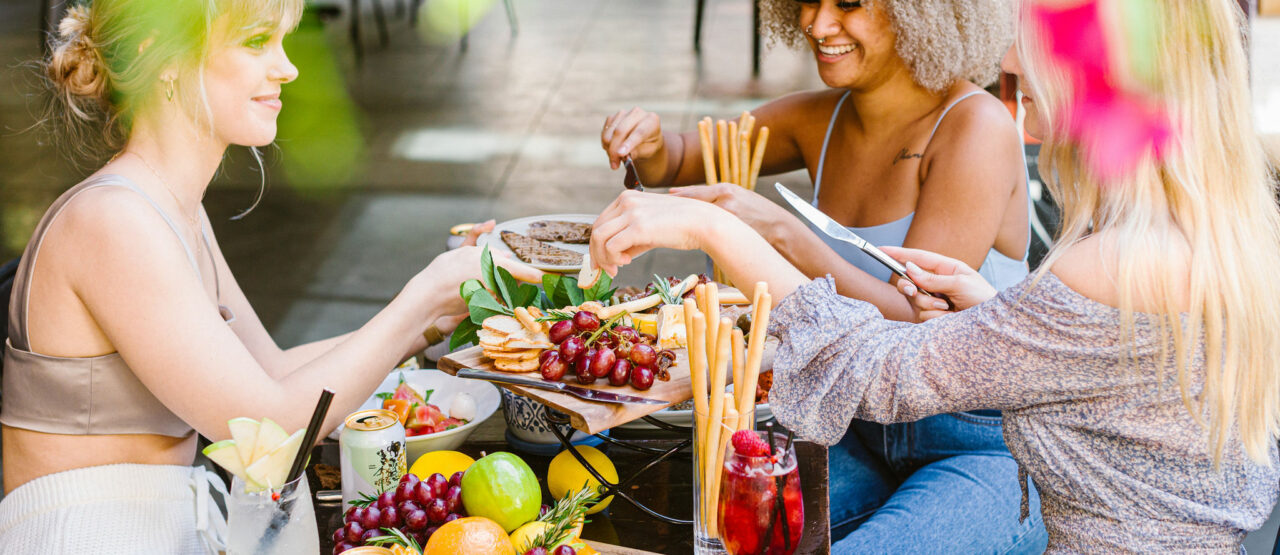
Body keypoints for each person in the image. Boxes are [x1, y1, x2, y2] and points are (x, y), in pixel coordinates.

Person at [587, 0, 1280, 550]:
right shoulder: (1211, 237)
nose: (1008, 60)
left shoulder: (1105, 264)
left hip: (975, 453)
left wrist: (726, 229)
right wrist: (996, 313)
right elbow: (1102, 368)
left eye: (1033, 42)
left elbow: (885, 371)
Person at [0, 1, 534, 552]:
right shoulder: (114, 221)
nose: (288, 67)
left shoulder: (172, 210)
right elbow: (271, 438)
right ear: (162, 57)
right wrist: (421, 299)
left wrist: (432, 319)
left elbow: (269, 374)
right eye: (257, 41)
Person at [601, 0, 1042, 550]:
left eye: (849, 5)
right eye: (808, 2)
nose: (817, 23)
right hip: (851, 425)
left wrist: (781, 233)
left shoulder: (977, 125)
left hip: (979, 444)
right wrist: (651, 145)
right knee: (722, 520)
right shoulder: (823, 118)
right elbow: (686, 157)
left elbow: (913, 325)